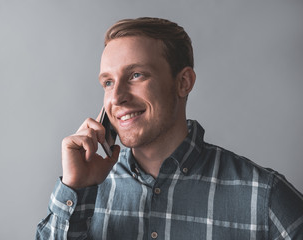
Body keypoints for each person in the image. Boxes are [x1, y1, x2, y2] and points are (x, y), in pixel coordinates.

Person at [36, 17, 303, 239]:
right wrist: (76, 188)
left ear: (183, 82)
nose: (116, 97)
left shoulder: (265, 197)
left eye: (136, 75)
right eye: (108, 82)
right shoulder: (83, 192)